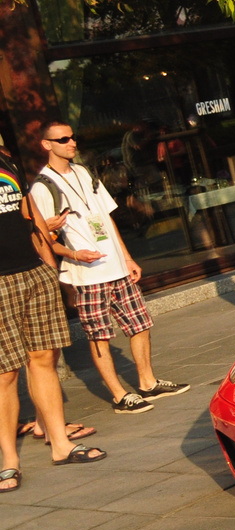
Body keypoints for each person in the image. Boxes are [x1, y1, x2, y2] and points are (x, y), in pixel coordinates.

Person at [29, 122, 189, 415]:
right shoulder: (42, 187)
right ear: (47, 145)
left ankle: (147, 381)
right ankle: (119, 395)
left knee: (140, 324)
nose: (71, 142)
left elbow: (106, 218)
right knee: (99, 334)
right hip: (87, 275)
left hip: (115, 266)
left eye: (72, 137)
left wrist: (127, 257)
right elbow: (43, 238)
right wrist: (75, 254)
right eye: (63, 139)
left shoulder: (84, 173)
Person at [0, 142, 107, 490]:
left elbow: (30, 220)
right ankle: (10, 461)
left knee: (43, 358)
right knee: (5, 374)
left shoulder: (7, 162)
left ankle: (60, 445)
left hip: (33, 272)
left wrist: (49, 267)